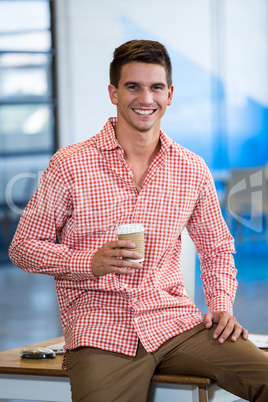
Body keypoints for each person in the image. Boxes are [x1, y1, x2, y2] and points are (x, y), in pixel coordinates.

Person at [9, 39, 268, 402]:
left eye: (155, 87)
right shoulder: (70, 165)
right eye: (133, 86)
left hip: (176, 322)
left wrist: (221, 305)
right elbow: (23, 248)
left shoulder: (190, 168)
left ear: (170, 94)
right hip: (101, 329)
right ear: (114, 92)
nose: (145, 98)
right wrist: (90, 262)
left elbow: (217, 248)